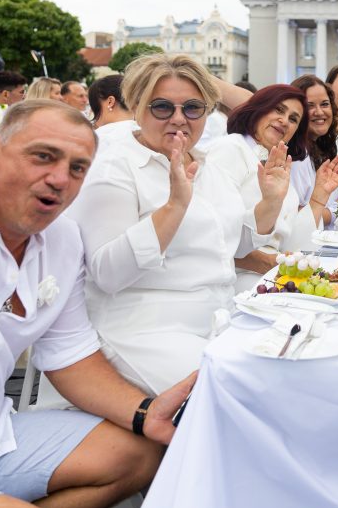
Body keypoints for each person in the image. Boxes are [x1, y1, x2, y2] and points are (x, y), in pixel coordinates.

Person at [0, 89, 194, 508]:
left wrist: (145, 413)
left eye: (77, 168)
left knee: (139, 453)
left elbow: (71, 356)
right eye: (43, 157)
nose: (61, 178)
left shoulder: (63, 240)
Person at [65, 55, 291, 395]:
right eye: (161, 107)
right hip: (144, 330)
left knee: (294, 373)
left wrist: (270, 201)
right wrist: (173, 208)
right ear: (138, 107)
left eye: (193, 108)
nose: (179, 119)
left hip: (219, 320)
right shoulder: (115, 167)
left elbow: (232, 243)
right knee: (247, 394)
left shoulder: (205, 163)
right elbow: (107, 274)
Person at [207, 84, 338, 292]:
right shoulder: (231, 148)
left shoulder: (279, 166)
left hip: (272, 275)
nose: (284, 120)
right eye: (278, 110)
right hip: (236, 277)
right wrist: (265, 263)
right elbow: (210, 234)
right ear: (259, 109)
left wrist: (318, 199)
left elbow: (291, 244)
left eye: (293, 119)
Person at [288, 75, 338, 229]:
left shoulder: (321, 147)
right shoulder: (296, 156)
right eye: (310, 106)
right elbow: (290, 214)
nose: (319, 112)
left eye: (324, 104)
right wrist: (334, 212)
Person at [88, 74, 136, 143]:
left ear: (110, 102)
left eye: (94, 107)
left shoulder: (98, 139)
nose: (95, 119)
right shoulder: (148, 134)